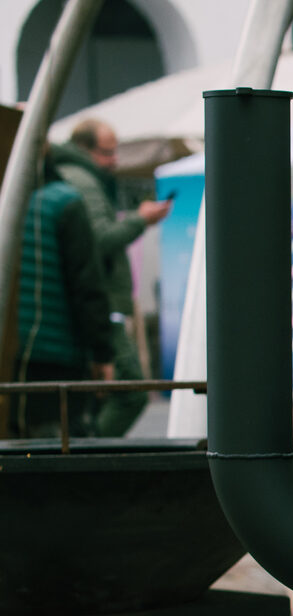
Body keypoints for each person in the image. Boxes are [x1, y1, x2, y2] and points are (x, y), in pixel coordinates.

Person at [50, 119, 170, 437]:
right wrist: (139, 220)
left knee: (101, 395)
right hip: (99, 304)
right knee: (130, 391)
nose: (114, 160)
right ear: (83, 149)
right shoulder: (83, 182)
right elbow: (100, 239)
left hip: (97, 304)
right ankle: (89, 455)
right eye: (107, 152)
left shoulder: (82, 178)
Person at [12, 153, 114, 437]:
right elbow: (86, 284)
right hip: (55, 354)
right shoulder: (63, 201)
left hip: (15, 354)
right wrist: (102, 352)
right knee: (51, 449)